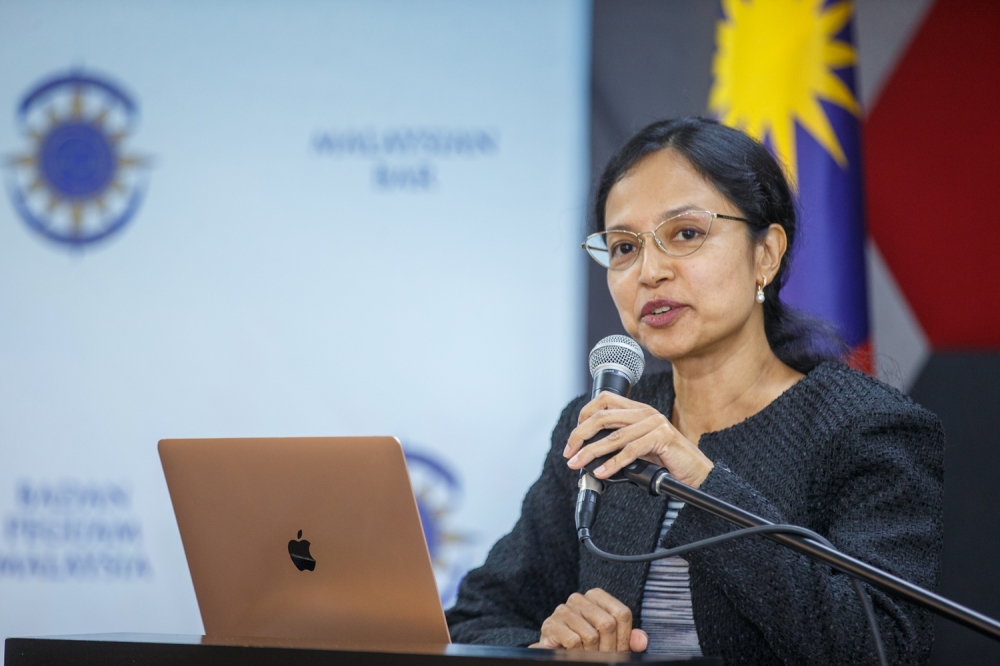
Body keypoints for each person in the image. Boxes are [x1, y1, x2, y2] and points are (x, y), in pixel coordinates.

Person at [445, 118, 944, 665]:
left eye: (685, 234)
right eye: (624, 247)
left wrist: (701, 481)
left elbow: (883, 648)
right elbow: (476, 616)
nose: (650, 271)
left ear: (766, 255)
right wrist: (551, 649)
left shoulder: (866, 428)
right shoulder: (599, 427)